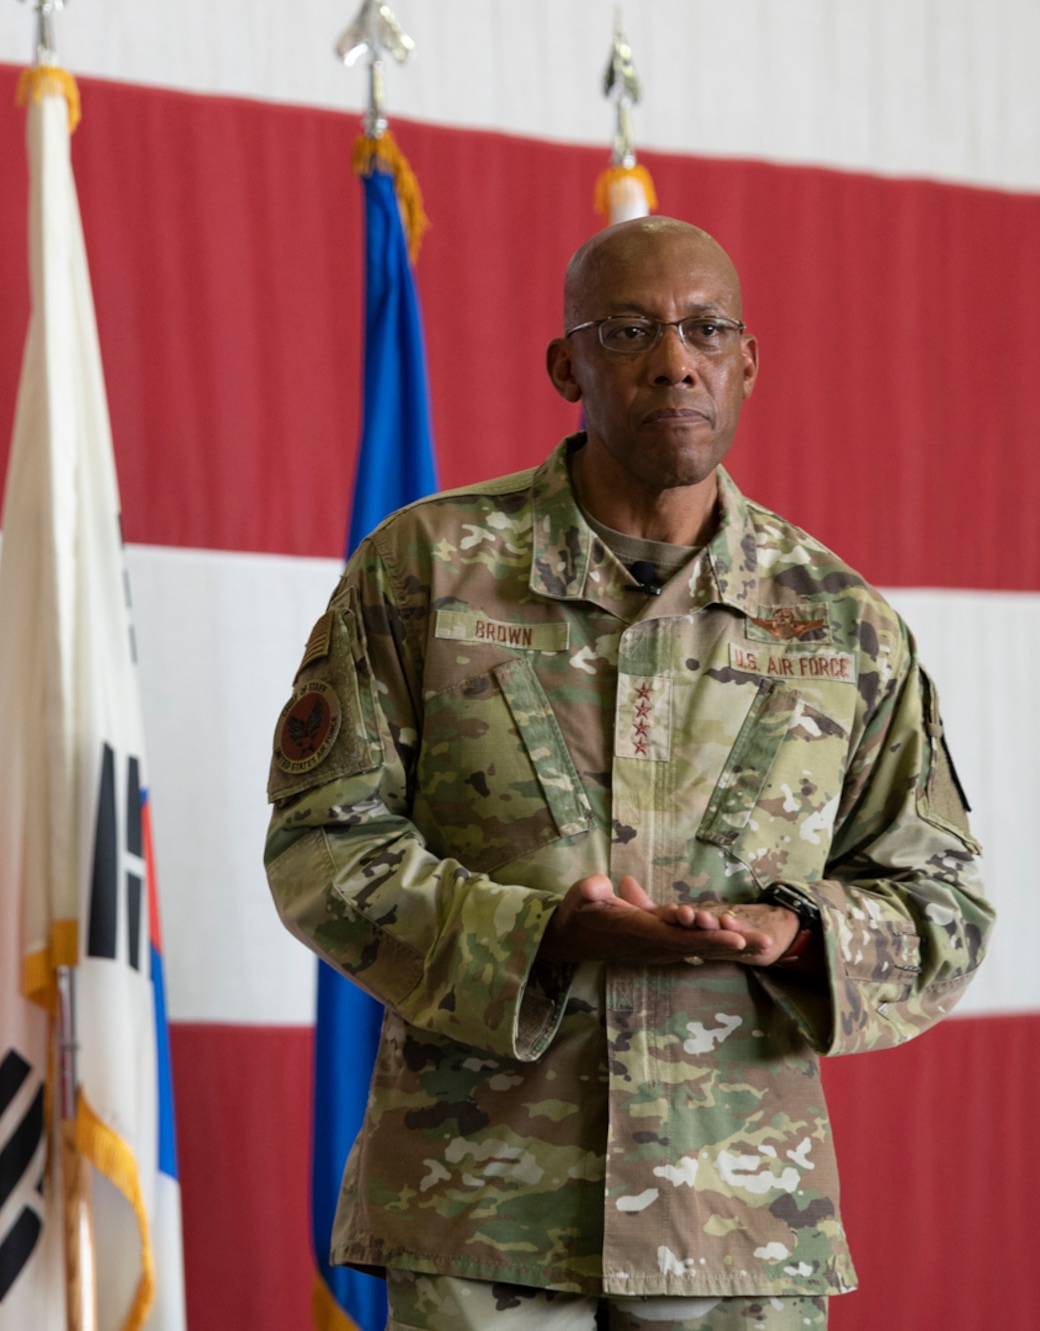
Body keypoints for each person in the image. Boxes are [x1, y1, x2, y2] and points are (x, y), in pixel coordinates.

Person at [263, 217, 994, 1331]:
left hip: (735, 1226)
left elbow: (941, 902)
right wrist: (537, 934)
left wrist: (792, 934)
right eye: (626, 330)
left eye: (705, 329)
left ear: (745, 362)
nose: (673, 360)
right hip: (479, 1217)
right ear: (566, 364)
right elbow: (322, 843)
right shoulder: (426, 572)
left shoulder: (839, 621)